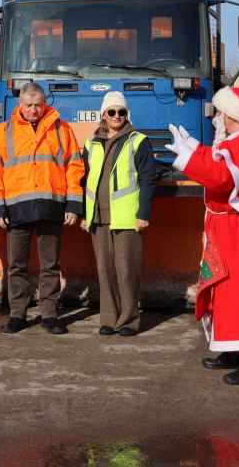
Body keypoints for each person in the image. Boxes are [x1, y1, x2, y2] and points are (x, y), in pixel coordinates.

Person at [165, 86, 239, 385]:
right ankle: (234, 348)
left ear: (232, 114)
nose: (218, 118)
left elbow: (219, 178)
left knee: (238, 290)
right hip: (227, 224)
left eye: (221, 112)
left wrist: (186, 158)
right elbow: (219, 161)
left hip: (234, 225)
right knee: (222, 287)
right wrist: (193, 147)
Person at [0, 82, 85, 335]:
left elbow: (74, 167)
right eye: (28, 105)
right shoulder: (2, 132)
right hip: (16, 209)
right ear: (20, 104)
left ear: (45, 104)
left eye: (38, 105)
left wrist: (73, 204)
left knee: (50, 265)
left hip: (51, 206)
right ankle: (17, 315)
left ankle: (49, 315)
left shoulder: (62, 129)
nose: (33, 110)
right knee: (16, 265)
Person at [82, 92, 156, 336]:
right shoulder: (91, 144)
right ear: (103, 114)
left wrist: (143, 213)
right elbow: (84, 180)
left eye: (121, 112)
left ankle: (128, 321)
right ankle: (108, 319)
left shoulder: (138, 141)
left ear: (127, 115)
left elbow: (148, 179)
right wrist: (84, 214)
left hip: (127, 217)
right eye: (111, 112)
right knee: (105, 271)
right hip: (98, 217)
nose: (116, 116)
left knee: (126, 271)